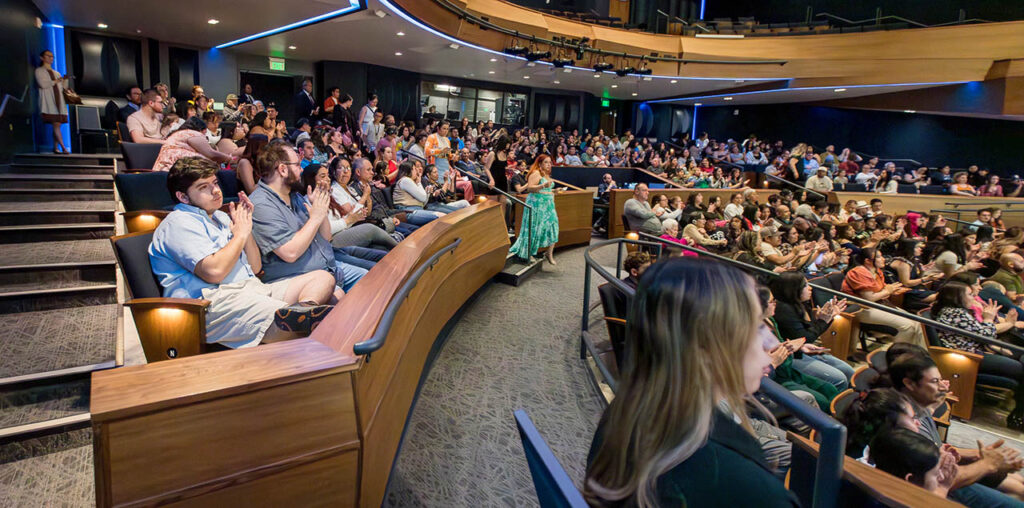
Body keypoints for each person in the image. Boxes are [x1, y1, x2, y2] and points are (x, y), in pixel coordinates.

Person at [584, 257, 798, 507]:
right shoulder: (744, 487)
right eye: (757, 328)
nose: (770, 343)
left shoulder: (625, 413)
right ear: (708, 348)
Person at [149, 157, 337, 348]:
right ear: (183, 197)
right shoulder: (178, 223)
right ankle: (300, 320)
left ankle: (302, 312)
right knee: (321, 320)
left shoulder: (221, 217)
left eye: (215, 183)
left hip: (251, 288)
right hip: (215, 303)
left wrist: (247, 232)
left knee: (323, 278)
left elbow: (255, 267)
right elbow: (214, 272)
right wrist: (240, 234)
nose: (215, 190)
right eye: (203, 187)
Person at [249, 142, 366, 293]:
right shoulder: (261, 204)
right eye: (297, 165)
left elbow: (326, 236)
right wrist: (315, 218)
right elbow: (290, 253)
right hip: (300, 279)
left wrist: (321, 210)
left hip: (328, 267)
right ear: (283, 170)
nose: (302, 169)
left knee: (372, 280)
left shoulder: (294, 195)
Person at [932, 281, 1024, 428]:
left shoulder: (959, 312)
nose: (974, 296)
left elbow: (981, 333)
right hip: (966, 358)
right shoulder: (955, 313)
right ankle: (1019, 415)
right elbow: (984, 334)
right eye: (970, 294)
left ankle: (1019, 414)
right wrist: (988, 318)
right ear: (957, 297)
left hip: (975, 352)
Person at [769, 272, 856, 389]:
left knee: (849, 371)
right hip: (793, 356)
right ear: (793, 289)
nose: (810, 288)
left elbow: (811, 332)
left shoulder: (802, 304)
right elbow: (805, 337)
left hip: (806, 351)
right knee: (839, 379)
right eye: (805, 285)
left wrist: (824, 319)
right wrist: (824, 320)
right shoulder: (784, 310)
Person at [841, 247, 928, 347]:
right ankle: (898, 355)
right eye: (879, 257)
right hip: (860, 309)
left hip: (877, 305)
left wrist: (891, 289)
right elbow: (869, 298)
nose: (883, 259)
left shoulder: (877, 271)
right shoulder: (858, 272)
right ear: (868, 261)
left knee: (918, 323)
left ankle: (916, 355)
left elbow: (881, 289)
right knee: (908, 326)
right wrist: (887, 290)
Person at [302, 162, 397, 253]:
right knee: (370, 229)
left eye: (327, 175)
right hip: (330, 240)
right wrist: (348, 220)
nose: (328, 179)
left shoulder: (334, 194)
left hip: (346, 229)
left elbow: (361, 213)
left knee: (380, 248)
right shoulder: (309, 201)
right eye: (323, 176)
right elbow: (326, 229)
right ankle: (400, 247)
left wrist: (351, 217)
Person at [509, 154, 560, 264]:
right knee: (534, 228)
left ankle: (549, 253)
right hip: (537, 204)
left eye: (550, 162)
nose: (549, 165)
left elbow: (546, 190)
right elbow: (531, 188)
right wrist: (543, 186)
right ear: (540, 163)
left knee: (553, 226)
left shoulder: (546, 174)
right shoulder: (535, 173)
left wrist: (553, 191)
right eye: (546, 162)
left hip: (548, 205)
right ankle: (529, 252)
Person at [152, 117, 233, 172]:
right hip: (174, 172)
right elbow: (211, 154)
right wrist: (229, 158)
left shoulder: (178, 135)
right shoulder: (191, 133)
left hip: (163, 171)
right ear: (200, 130)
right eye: (204, 134)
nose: (204, 137)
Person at [35, 50, 70, 154]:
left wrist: (65, 80)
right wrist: (56, 81)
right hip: (49, 102)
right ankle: (63, 147)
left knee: (57, 125)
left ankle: (56, 148)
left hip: (59, 101)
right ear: (42, 58)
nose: (51, 58)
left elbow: (64, 88)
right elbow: (43, 84)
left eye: (52, 56)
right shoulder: (39, 71)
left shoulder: (57, 73)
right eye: (48, 56)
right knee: (56, 124)